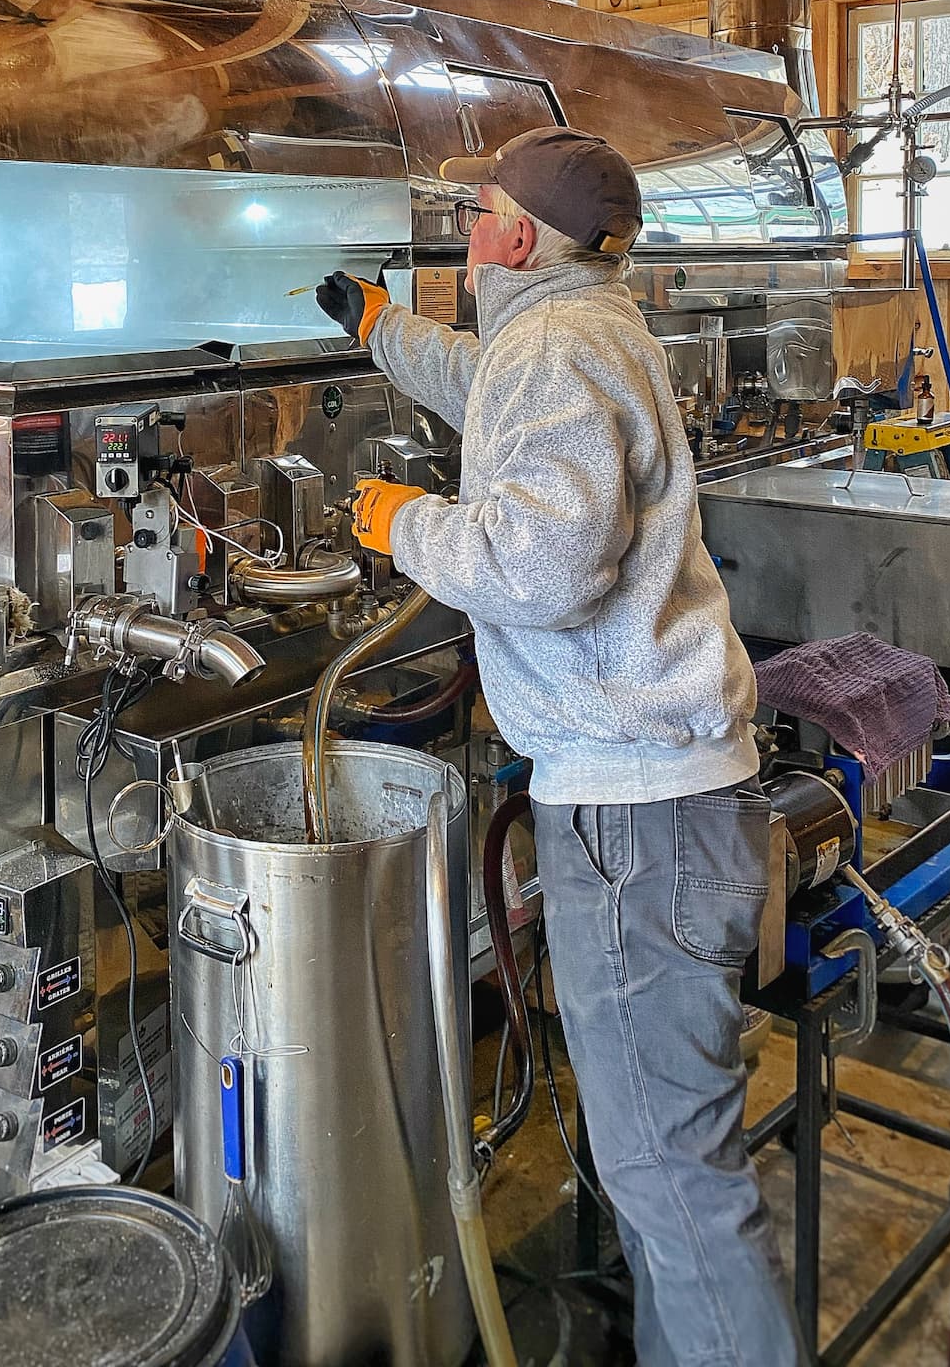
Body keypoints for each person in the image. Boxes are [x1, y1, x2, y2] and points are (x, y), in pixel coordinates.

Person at [315, 127, 803, 1367]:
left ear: (517, 236)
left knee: (673, 1178)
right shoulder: (585, 323)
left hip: (639, 819)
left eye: (478, 210)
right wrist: (379, 325)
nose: (469, 228)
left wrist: (399, 519)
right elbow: (489, 385)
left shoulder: (556, 342)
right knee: (664, 1162)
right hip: (663, 805)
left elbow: (540, 564)